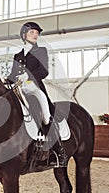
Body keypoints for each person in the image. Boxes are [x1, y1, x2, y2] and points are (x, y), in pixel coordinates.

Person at [6, 22, 68, 167]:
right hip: (19, 89)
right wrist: (6, 80)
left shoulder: (41, 51)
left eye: (36, 33)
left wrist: (28, 76)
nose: (35, 35)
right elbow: (13, 74)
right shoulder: (17, 55)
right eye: (32, 32)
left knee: (45, 114)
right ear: (24, 35)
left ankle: (59, 153)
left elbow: (44, 71)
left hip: (34, 88)